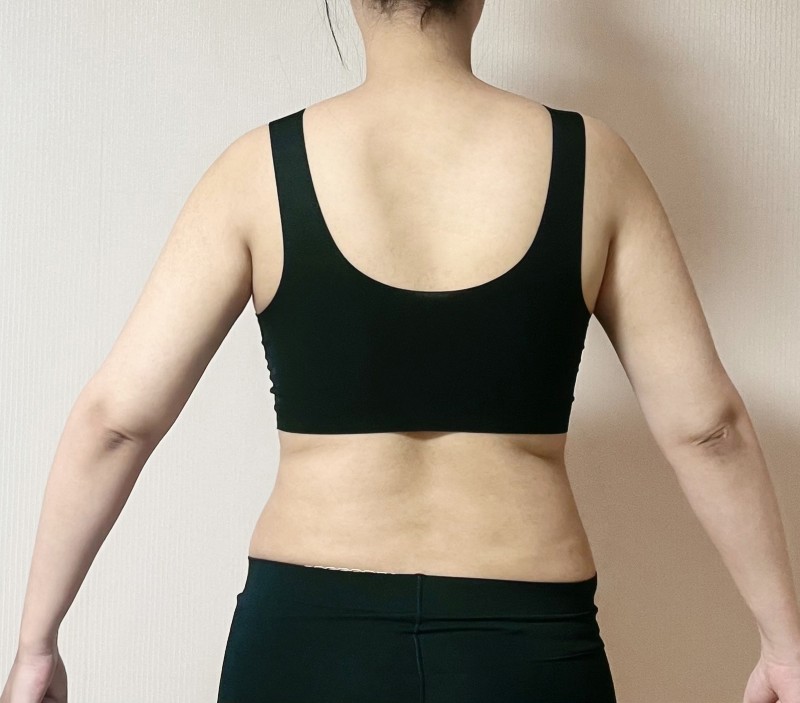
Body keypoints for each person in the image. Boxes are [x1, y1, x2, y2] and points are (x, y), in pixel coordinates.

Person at [3, 0, 799, 701]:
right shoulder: (594, 162)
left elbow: (117, 420)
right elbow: (708, 427)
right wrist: (786, 646)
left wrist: (37, 643)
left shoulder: (258, 170)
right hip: (524, 645)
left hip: (305, 640)